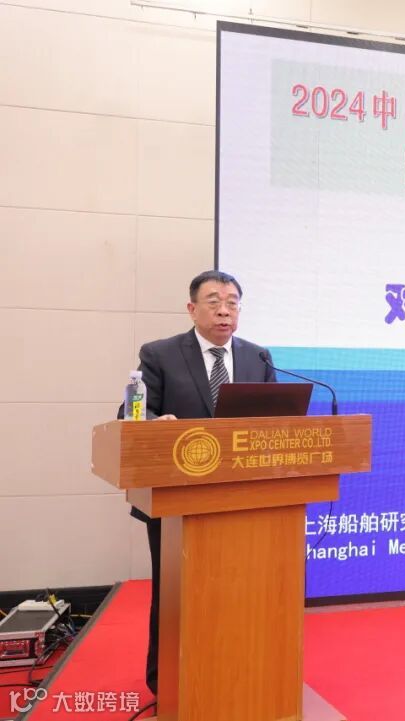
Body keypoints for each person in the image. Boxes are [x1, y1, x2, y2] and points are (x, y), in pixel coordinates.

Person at [119, 270, 276, 695]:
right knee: (174, 593)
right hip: (177, 499)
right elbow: (130, 413)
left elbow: (275, 422)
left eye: (232, 302)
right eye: (214, 302)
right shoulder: (160, 354)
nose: (224, 311)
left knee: (239, 591)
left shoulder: (259, 358)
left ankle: (236, 672)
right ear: (192, 308)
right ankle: (166, 680)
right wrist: (157, 424)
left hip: (243, 498)